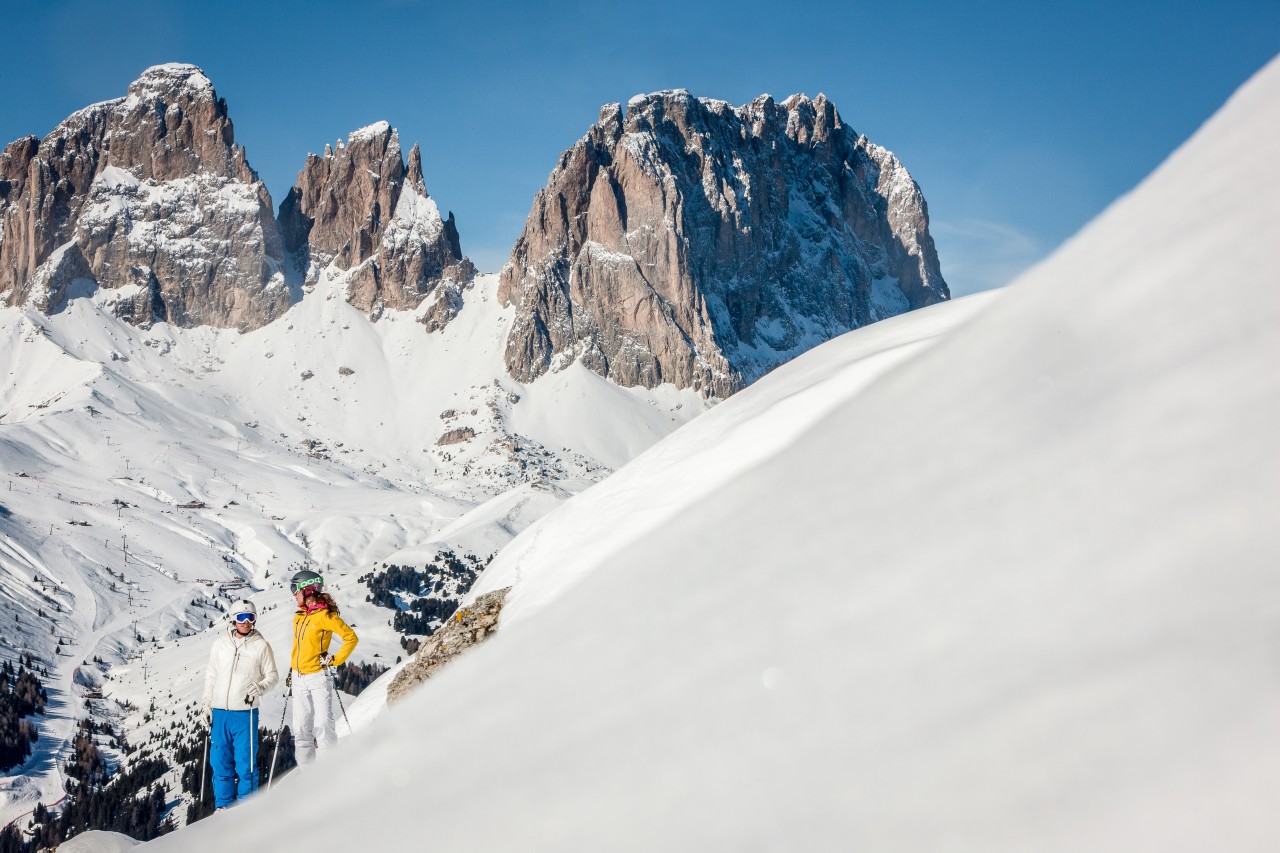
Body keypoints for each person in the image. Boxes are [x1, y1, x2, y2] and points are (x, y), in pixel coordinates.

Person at [200, 599, 278, 810]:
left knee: (245, 764)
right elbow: (211, 676)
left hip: (245, 713)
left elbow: (272, 676)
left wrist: (261, 687)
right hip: (220, 712)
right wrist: (207, 705)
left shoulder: (261, 646)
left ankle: (246, 809)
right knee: (220, 762)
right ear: (233, 619)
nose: (246, 622)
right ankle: (223, 806)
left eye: (250, 617)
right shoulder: (220, 645)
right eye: (241, 617)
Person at [287, 569, 358, 764]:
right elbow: (300, 647)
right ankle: (306, 774)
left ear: (307, 589)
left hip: (318, 677)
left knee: (323, 726)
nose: (293, 594)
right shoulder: (299, 616)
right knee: (301, 729)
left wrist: (335, 659)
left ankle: (327, 773)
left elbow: (350, 638)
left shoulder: (325, 616)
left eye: (295, 589)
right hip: (298, 677)